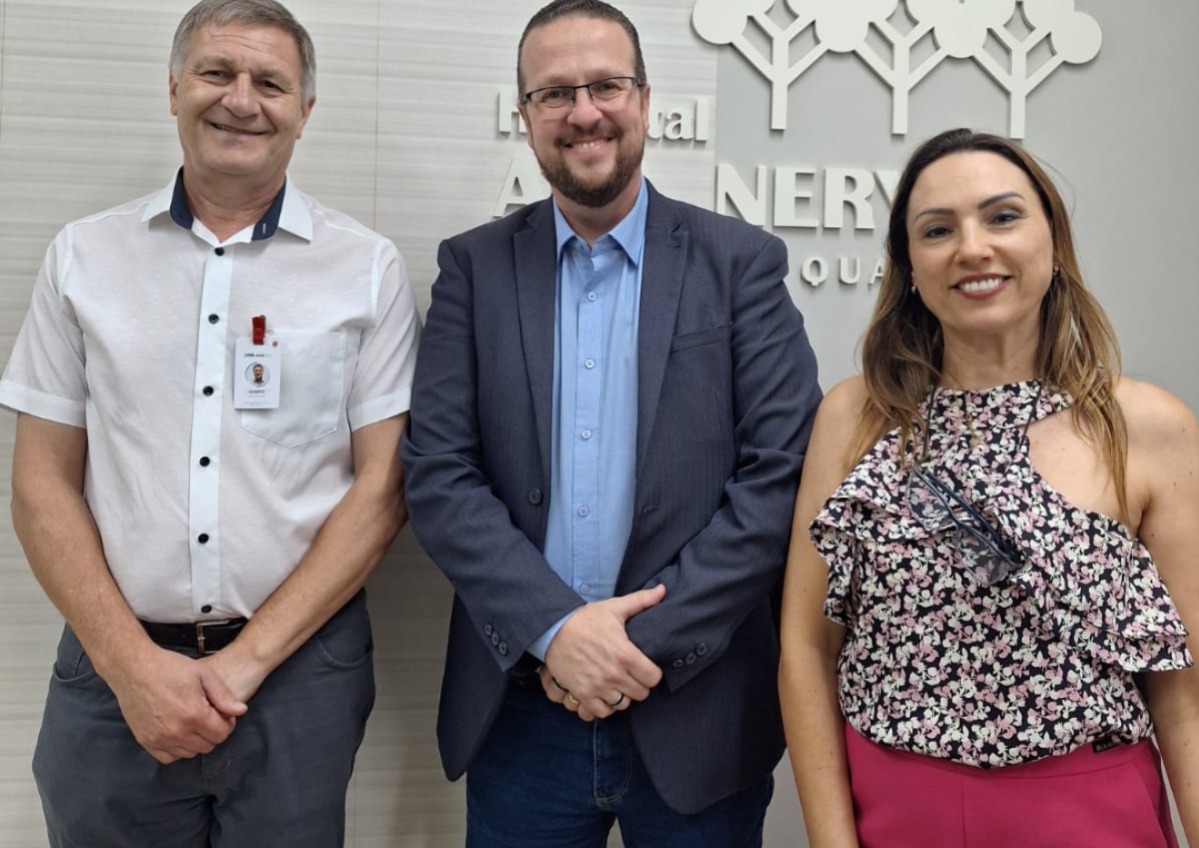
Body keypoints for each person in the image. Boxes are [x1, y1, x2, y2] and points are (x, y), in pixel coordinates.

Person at [401, 0, 821, 844]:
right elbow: (439, 476)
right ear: (524, 116)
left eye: (604, 86)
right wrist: (558, 633)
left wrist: (631, 650)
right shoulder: (473, 270)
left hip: (696, 710)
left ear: (644, 98)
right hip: (525, 713)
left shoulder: (740, 265)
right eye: (554, 93)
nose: (583, 111)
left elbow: (779, 476)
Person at [0, 1, 420, 845]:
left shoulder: (366, 268)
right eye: (216, 73)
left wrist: (243, 662)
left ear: (304, 111)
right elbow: (41, 479)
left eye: (271, 82)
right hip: (111, 671)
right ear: (172, 89)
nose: (241, 99)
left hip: (299, 676)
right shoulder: (84, 257)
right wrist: (130, 666)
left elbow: (383, 489)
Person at [778, 128, 1199, 847]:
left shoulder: (1145, 427)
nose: (972, 248)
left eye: (1001, 217)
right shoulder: (854, 418)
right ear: (908, 264)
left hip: (1090, 812)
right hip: (896, 812)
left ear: (1052, 242)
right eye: (937, 230)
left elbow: (1184, 686)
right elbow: (805, 648)